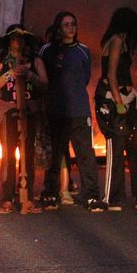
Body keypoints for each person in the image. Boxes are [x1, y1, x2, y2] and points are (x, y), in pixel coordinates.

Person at [38, 11, 105, 212]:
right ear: (59, 28)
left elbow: (85, 78)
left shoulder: (83, 50)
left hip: (79, 110)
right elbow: (43, 75)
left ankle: (91, 196)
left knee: (85, 154)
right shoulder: (47, 50)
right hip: (56, 110)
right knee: (56, 154)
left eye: (73, 24)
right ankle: (50, 193)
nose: (71, 28)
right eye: (66, 24)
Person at [97, 7, 137, 212]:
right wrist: (120, 103)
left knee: (136, 146)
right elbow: (111, 75)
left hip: (126, 99)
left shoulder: (120, 42)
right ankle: (110, 197)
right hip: (115, 101)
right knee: (116, 147)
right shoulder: (116, 41)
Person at [0, 25, 47, 214]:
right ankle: (7, 198)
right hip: (8, 113)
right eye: (14, 38)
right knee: (8, 156)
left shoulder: (35, 61)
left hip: (28, 112)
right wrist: (11, 73)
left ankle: (26, 197)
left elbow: (44, 83)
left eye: (21, 39)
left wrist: (28, 74)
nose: (17, 42)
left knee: (28, 155)